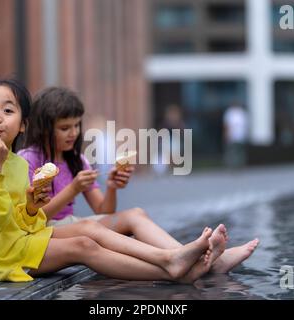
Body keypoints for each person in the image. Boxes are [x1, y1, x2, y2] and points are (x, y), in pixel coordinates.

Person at [0, 78, 227, 283]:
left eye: (8, 110)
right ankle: (171, 264)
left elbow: (22, 223)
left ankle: (175, 260)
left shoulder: (17, 163)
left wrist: (29, 208)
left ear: (23, 124)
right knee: (84, 246)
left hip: (19, 241)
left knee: (89, 227)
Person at [19, 87, 260, 274]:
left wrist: (112, 186)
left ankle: (189, 257)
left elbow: (104, 211)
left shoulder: (76, 159)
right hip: (46, 230)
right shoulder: (28, 160)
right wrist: (72, 190)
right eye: (64, 128)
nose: (73, 133)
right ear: (44, 128)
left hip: (74, 224)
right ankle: (197, 260)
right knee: (119, 237)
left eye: (76, 126)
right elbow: (32, 219)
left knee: (135, 214)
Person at [223, 104, 248, 169]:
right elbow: (227, 125)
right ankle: (231, 165)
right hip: (232, 136)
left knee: (240, 152)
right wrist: (226, 134)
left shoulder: (242, 112)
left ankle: (239, 165)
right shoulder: (230, 112)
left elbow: (245, 125)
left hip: (240, 136)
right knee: (232, 151)